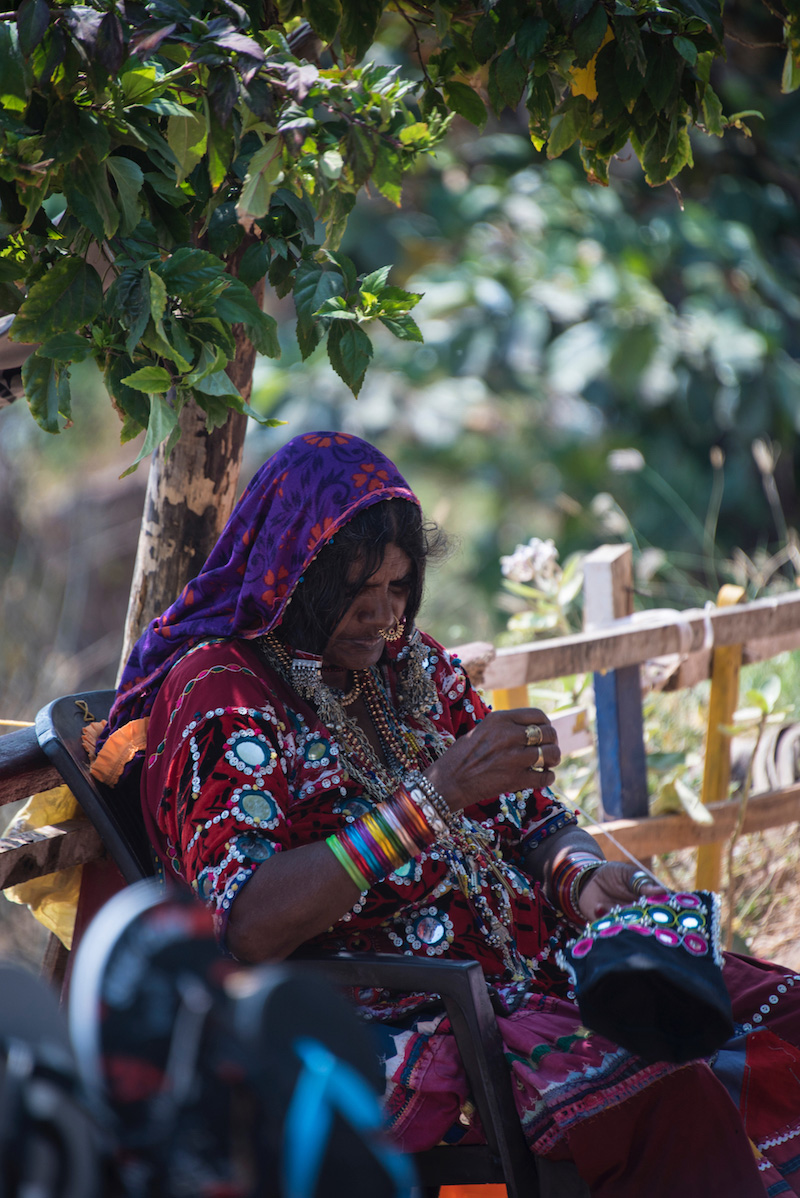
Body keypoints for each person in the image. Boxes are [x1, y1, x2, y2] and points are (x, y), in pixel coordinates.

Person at [94, 430, 800, 1197]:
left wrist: (583, 878)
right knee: (670, 1088)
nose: (382, 618)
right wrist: (430, 799)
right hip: (407, 1014)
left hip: (534, 968)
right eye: (355, 596)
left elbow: (530, 819)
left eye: (399, 591)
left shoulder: (409, 662)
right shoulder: (222, 695)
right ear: (290, 577)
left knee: (783, 1012)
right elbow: (251, 924)